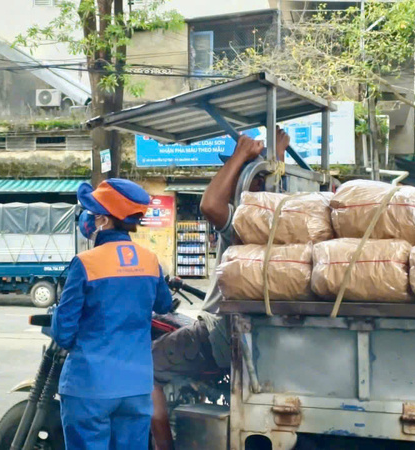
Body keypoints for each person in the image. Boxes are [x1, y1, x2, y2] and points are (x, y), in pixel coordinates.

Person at [150, 129, 290, 450]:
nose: (232, 180)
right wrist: (276, 155)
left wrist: (242, 154)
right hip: (248, 337)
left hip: (220, 336)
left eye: (239, 174)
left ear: (254, 182)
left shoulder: (247, 220)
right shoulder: (278, 218)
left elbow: (210, 205)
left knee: (146, 367)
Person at [52, 178, 174, 450]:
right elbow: (164, 304)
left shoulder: (85, 263)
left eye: (94, 214)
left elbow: (63, 333)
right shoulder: (150, 260)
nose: (90, 219)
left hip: (90, 387)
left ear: (105, 220)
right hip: (136, 388)